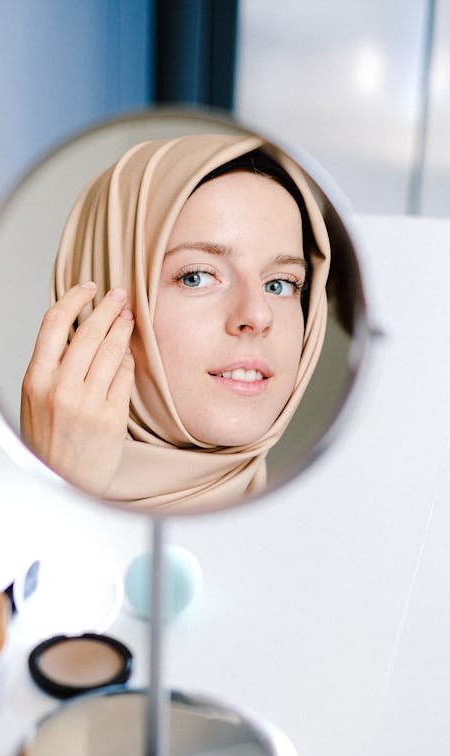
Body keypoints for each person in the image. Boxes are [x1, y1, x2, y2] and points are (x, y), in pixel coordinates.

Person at [21, 133, 330, 511]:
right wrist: (56, 486)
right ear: (99, 296)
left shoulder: (340, 548)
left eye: (281, 284)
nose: (257, 315)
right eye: (196, 276)